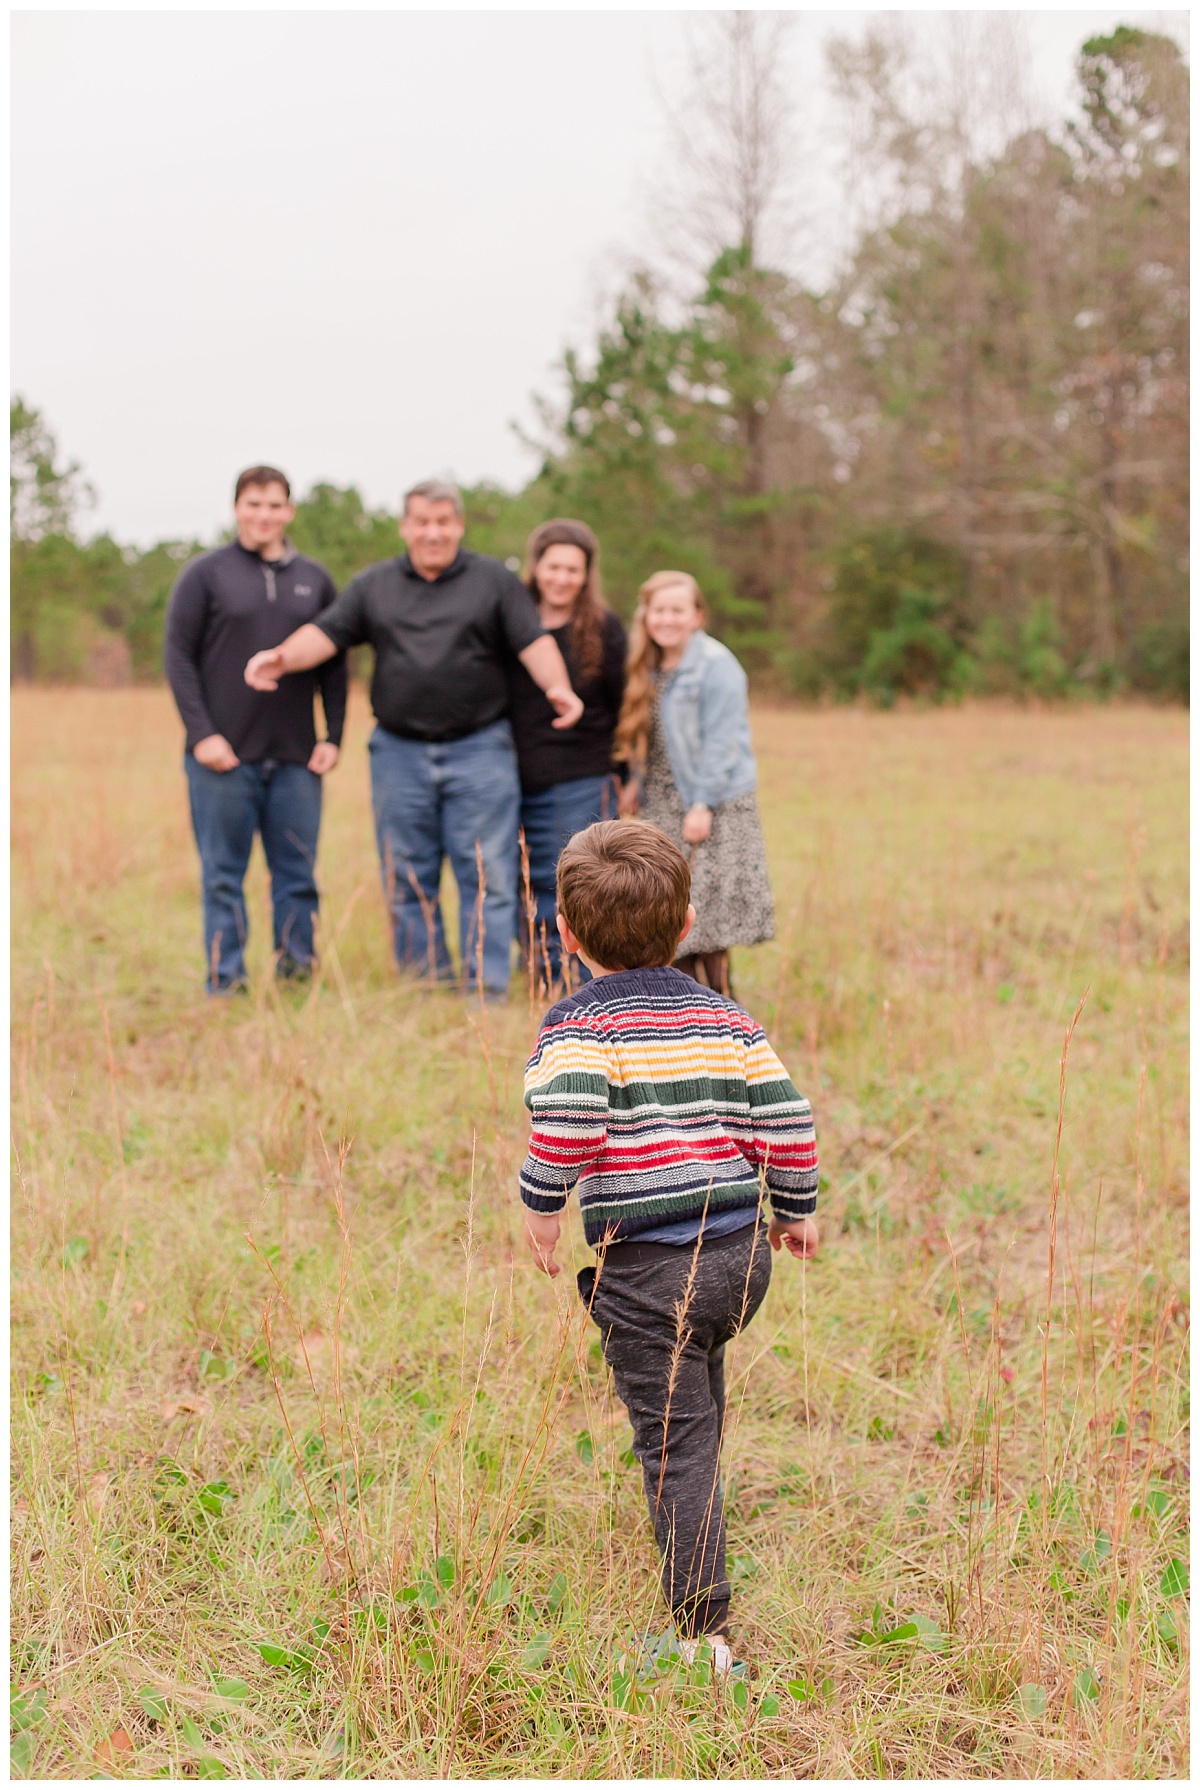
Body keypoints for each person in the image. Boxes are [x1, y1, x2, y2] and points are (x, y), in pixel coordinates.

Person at [519, 820, 818, 1669]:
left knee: (672, 1438)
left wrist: (543, 1204)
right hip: (739, 1255)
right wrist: (794, 1209)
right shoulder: (726, 1017)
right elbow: (785, 1117)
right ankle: (704, 1510)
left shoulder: (577, 1028)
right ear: (688, 926)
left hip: (651, 1268)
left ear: (568, 937)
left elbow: (569, 1120)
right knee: (699, 1397)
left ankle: (702, 1632)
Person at [244, 480, 582, 1000]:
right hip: (398, 752)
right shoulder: (374, 585)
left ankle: (484, 989)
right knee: (407, 878)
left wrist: (558, 688)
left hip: (480, 749)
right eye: (422, 522)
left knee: (487, 874)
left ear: (459, 526)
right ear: (405, 527)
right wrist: (282, 658)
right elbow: (327, 632)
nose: (433, 532)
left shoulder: (492, 580)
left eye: (444, 521)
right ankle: (425, 987)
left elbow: (532, 640)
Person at [164, 465, 347, 995]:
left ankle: (296, 980)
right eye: (253, 504)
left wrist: (332, 736)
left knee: (297, 878)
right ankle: (226, 982)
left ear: (289, 511)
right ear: (237, 508)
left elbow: (334, 664)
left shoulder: (315, 578)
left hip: (295, 759)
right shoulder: (205, 574)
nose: (264, 515)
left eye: (274, 505)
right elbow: (178, 657)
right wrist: (203, 735)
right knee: (223, 878)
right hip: (222, 758)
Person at [614, 571, 774, 998]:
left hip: (710, 802)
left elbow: (722, 743)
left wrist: (701, 804)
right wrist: (635, 782)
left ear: (697, 616)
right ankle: (689, 1013)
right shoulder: (647, 664)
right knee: (669, 916)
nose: (667, 619)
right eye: (658, 610)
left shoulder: (716, 666)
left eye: (677, 610)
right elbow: (652, 736)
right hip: (664, 803)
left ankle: (725, 1011)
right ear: (646, 615)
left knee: (706, 920)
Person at [507, 519, 626, 990]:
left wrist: (623, 771)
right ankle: (537, 976)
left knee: (575, 882)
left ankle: (576, 982)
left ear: (586, 574)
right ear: (536, 567)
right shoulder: (512, 623)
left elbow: (622, 705)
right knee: (518, 879)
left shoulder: (602, 628)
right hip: (512, 774)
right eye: (553, 566)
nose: (561, 578)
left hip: (580, 775)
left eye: (572, 570)